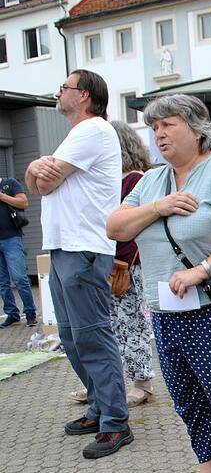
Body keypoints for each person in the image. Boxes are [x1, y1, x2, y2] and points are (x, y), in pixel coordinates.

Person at [107, 94, 211, 473]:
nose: (159, 135)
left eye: (168, 125)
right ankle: (208, 468)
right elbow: (115, 226)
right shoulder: (151, 181)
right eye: (154, 128)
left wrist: (202, 270)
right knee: (188, 399)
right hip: (166, 312)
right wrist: (160, 206)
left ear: (196, 129)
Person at [24, 69, 132, 458]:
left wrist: (39, 171)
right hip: (67, 248)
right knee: (71, 335)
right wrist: (36, 169)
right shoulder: (77, 134)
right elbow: (35, 180)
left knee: (91, 334)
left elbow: (45, 184)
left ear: (83, 95)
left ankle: (115, 423)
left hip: (83, 248)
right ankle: (99, 407)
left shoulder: (92, 131)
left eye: (63, 88)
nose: (57, 93)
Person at [68, 121, 157, 406]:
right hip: (108, 262)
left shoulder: (135, 180)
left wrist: (120, 260)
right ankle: (110, 384)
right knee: (111, 326)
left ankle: (142, 382)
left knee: (132, 324)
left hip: (126, 264)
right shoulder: (112, 181)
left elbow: (131, 227)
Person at [0, 176, 37, 328]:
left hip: (11, 238)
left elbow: (24, 203)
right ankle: (12, 314)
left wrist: (1, 196)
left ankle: (30, 313)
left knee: (19, 278)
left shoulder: (10, 184)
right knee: (2, 282)